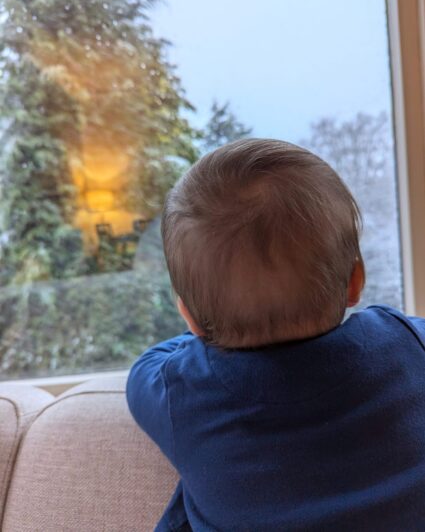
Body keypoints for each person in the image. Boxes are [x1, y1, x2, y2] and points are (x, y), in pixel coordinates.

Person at [126, 139, 425, 531]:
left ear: (189, 318)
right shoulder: (406, 341)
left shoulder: (181, 391)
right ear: (355, 281)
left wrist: (207, 336)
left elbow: (145, 367)